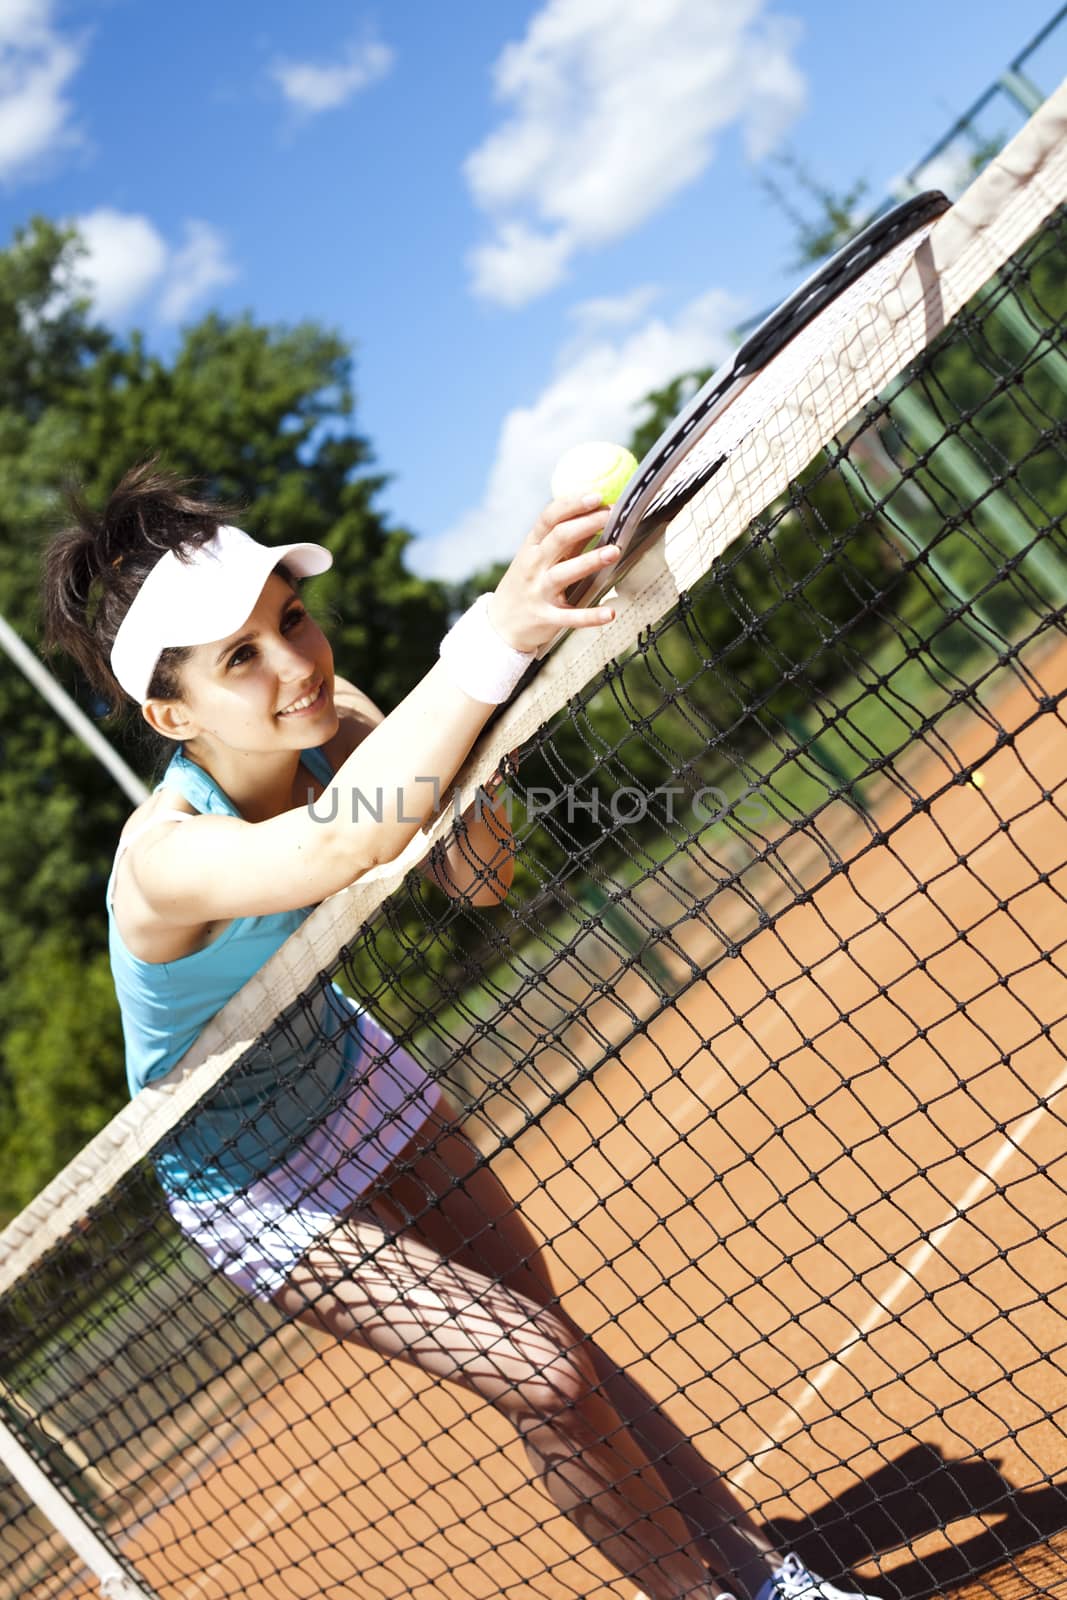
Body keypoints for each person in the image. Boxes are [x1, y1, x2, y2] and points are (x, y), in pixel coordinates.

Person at [42, 460, 877, 1600]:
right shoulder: (163, 858)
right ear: (171, 714)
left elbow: (479, 879)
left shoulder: (342, 727)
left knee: (564, 1353)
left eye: (290, 619)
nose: (293, 663)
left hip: (351, 1072)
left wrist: (463, 774)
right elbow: (334, 846)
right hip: (250, 1180)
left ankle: (764, 1581)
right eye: (240, 657)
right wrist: (489, 639)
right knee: (533, 1372)